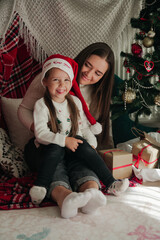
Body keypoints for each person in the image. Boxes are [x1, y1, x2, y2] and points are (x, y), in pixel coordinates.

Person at [18, 43, 129, 219]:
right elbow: (24, 110)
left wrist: (92, 150)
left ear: (104, 76)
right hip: (44, 145)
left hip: (74, 144)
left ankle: (93, 193)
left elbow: (85, 126)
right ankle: (65, 197)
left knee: (83, 161)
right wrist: (43, 131)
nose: (89, 74)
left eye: (98, 73)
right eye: (87, 65)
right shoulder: (52, 75)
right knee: (55, 161)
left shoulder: (91, 95)